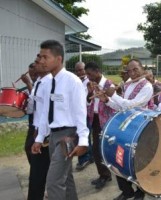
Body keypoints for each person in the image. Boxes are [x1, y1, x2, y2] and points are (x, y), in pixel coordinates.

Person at [31, 40, 89, 200]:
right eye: (40, 57)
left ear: (58, 59)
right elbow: (45, 113)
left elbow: (81, 113)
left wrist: (83, 140)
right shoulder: (47, 83)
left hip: (68, 136)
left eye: (45, 57)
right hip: (54, 136)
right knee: (66, 177)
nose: (41, 61)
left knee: (54, 181)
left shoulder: (73, 82)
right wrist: (40, 137)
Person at [103, 58, 154, 200]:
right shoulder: (127, 84)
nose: (132, 73)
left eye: (135, 69)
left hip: (141, 128)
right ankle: (126, 191)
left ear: (142, 69)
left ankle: (140, 191)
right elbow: (121, 107)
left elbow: (132, 106)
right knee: (119, 158)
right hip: (126, 126)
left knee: (138, 160)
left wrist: (113, 95)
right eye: (129, 70)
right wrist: (107, 100)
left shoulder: (147, 87)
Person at [85, 61, 114, 190]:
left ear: (97, 71)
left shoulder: (109, 84)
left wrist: (103, 93)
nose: (88, 77)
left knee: (103, 150)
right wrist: (90, 93)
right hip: (95, 120)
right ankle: (104, 175)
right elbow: (87, 102)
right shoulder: (90, 84)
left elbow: (113, 104)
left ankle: (106, 175)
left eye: (90, 74)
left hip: (107, 121)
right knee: (97, 150)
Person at [26, 55, 52, 200]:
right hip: (38, 130)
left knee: (39, 173)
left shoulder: (49, 83)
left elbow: (48, 113)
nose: (35, 65)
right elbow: (34, 109)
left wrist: (41, 136)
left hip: (45, 134)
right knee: (37, 174)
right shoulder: (39, 82)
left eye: (37, 62)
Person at [74, 61, 93, 171]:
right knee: (85, 136)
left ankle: (84, 159)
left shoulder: (89, 82)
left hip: (85, 113)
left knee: (82, 136)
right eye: (77, 70)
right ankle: (89, 156)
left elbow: (87, 100)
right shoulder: (75, 81)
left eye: (81, 70)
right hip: (77, 113)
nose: (79, 72)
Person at [21, 63, 37, 164]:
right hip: (32, 121)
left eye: (34, 74)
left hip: (39, 123)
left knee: (31, 148)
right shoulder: (32, 86)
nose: (32, 77)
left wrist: (28, 84)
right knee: (28, 148)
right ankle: (35, 171)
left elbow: (37, 100)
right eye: (31, 75)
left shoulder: (42, 84)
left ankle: (37, 173)